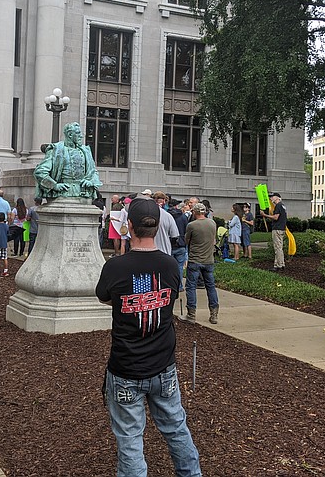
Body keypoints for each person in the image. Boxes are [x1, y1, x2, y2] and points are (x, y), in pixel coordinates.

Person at [95, 197, 202, 477]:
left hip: (126, 369)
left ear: (128, 226)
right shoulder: (169, 266)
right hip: (164, 368)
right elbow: (171, 297)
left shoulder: (115, 267)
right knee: (177, 428)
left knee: (130, 441)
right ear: (157, 227)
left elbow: (106, 298)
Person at [33, 122, 102, 200]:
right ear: (70, 135)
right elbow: (40, 172)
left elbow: (93, 172)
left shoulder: (85, 151)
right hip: (62, 192)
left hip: (83, 192)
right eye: (78, 133)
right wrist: (54, 185)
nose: (81, 136)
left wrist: (91, 182)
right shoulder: (55, 150)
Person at [185, 202, 220, 324]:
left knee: (190, 287)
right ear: (204, 212)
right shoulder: (212, 223)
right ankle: (214, 314)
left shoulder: (192, 225)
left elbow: (187, 240)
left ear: (194, 212)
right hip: (209, 260)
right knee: (210, 287)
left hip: (195, 259)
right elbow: (213, 239)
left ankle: (191, 314)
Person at [261, 192, 287, 270]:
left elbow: (276, 217)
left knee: (277, 248)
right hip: (281, 229)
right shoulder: (282, 205)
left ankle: (278, 265)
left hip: (277, 229)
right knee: (279, 247)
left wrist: (264, 215)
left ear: (277, 197)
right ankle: (280, 264)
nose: (271, 198)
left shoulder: (278, 206)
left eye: (272, 197)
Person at [152, 191, 179, 255]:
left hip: (148, 251)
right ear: (164, 201)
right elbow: (175, 235)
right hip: (164, 251)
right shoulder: (168, 216)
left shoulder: (145, 214)